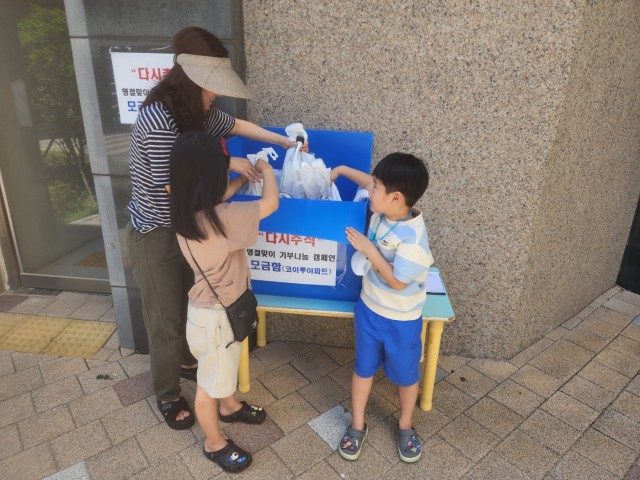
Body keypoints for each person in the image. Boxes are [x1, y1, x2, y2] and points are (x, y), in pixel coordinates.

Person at [127, 26, 304, 431]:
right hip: (158, 229)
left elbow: (237, 127)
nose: (215, 96)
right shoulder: (157, 120)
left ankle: (191, 365)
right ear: (191, 83)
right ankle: (168, 394)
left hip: (190, 226)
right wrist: (232, 169)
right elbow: (183, 189)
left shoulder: (197, 110)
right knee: (167, 320)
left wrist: (284, 143)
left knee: (195, 308)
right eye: (210, 89)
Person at [169, 131, 278, 472]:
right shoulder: (224, 218)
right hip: (218, 320)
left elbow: (217, 195)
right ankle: (214, 443)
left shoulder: (184, 206)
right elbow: (271, 203)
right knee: (207, 386)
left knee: (221, 370)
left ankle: (229, 406)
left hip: (207, 312)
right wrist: (265, 168)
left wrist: (236, 179)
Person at [330, 153, 433, 463]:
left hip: (402, 320)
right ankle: (358, 424)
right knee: (363, 367)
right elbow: (366, 180)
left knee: (405, 374)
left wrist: (369, 249)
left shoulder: (413, 239)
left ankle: (404, 425)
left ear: (396, 197)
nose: (368, 191)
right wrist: (341, 169)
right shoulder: (383, 207)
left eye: (375, 187)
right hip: (369, 310)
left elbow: (398, 282)